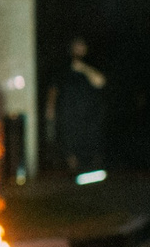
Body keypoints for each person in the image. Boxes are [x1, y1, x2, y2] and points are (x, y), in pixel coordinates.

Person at [46, 37, 108, 181]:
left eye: (81, 46)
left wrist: (83, 68)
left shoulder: (91, 63)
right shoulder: (63, 66)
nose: (79, 49)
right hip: (68, 112)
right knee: (69, 143)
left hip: (89, 113)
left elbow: (100, 82)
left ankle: (90, 173)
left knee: (90, 141)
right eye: (76, 46)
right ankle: (72, 173)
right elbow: (53, 89)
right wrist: (50, 110)